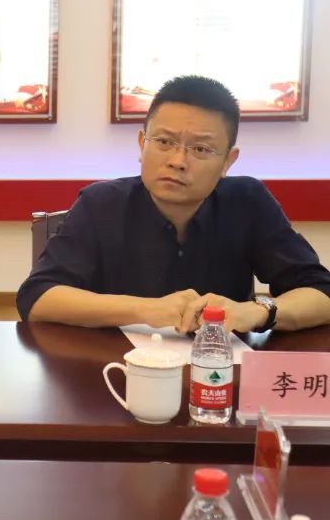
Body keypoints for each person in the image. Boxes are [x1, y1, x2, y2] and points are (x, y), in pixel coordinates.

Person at [17, 74, 330, 333]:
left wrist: (257, 311)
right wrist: (146, 310)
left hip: (217, 372)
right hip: (114, 373)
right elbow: (37, 297)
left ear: (228, 161)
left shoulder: (248, 202)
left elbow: (321, 292)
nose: (178, 161)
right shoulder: (100, 203)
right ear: (142, 144)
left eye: (201, 149)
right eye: (165, 142)